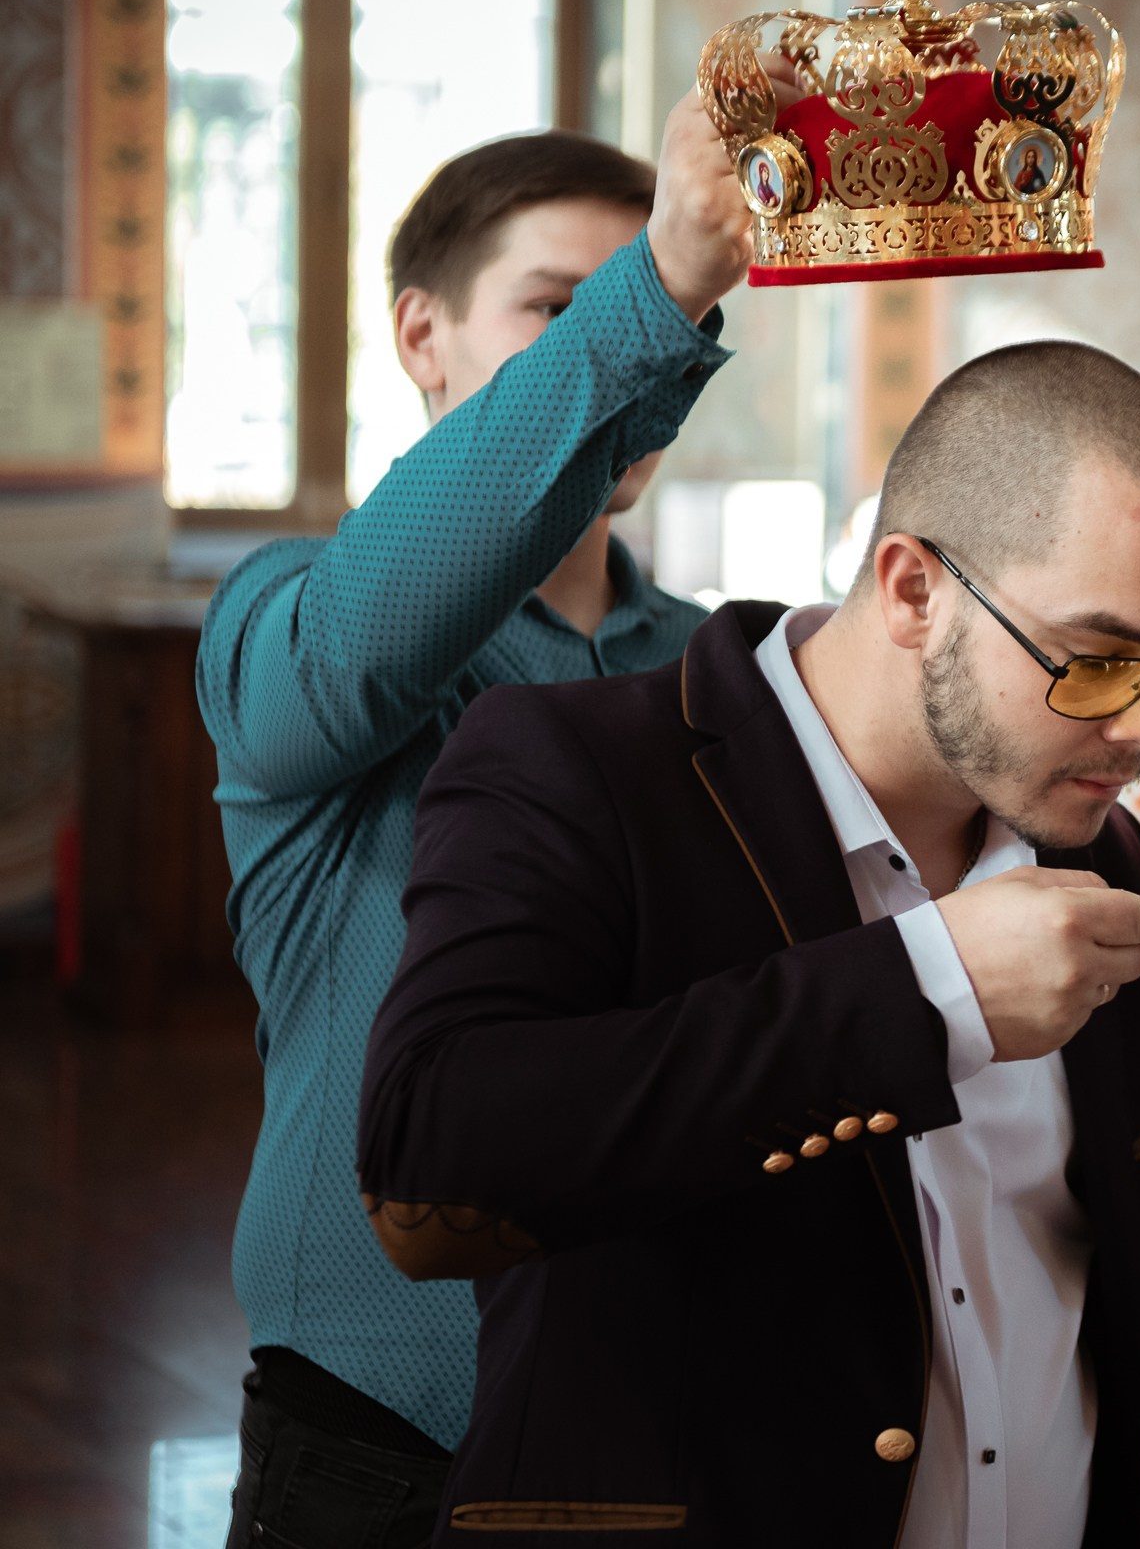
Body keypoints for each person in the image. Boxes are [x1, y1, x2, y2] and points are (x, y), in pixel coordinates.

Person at [355, 341, 1140, 1546]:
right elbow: (427, 1163)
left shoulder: (1100, 852)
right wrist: (921, 994)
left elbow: (1120, 1316)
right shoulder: (578, 771)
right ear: (914, 589)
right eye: (1098, 659)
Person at [198, 79, 780, 1549]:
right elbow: (366, 642)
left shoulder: (723, 662)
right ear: (422, 335)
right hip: (379, 1438)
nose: (626, 362)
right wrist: (658, 286)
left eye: (643, 319)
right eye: (555, 308)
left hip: (677, 1411)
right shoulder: (288, 619)